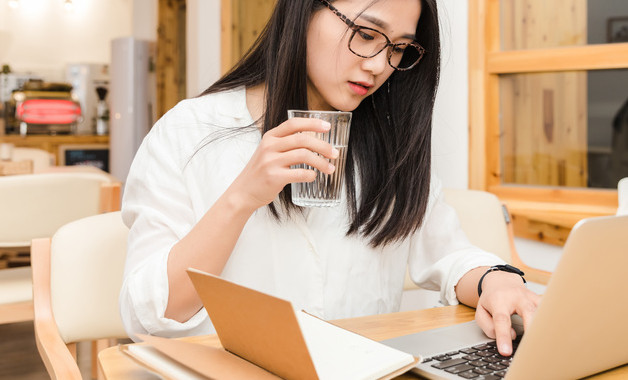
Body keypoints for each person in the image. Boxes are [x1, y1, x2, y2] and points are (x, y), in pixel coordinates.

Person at [120, 0, 540, 357]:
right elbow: (149, 313)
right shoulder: (190, 132)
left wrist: (497, 279)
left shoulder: (391, 145)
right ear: (304, 12)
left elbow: (448, 255)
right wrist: (241, 197)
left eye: (399, 48)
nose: (378, 65)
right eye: (366, 33)